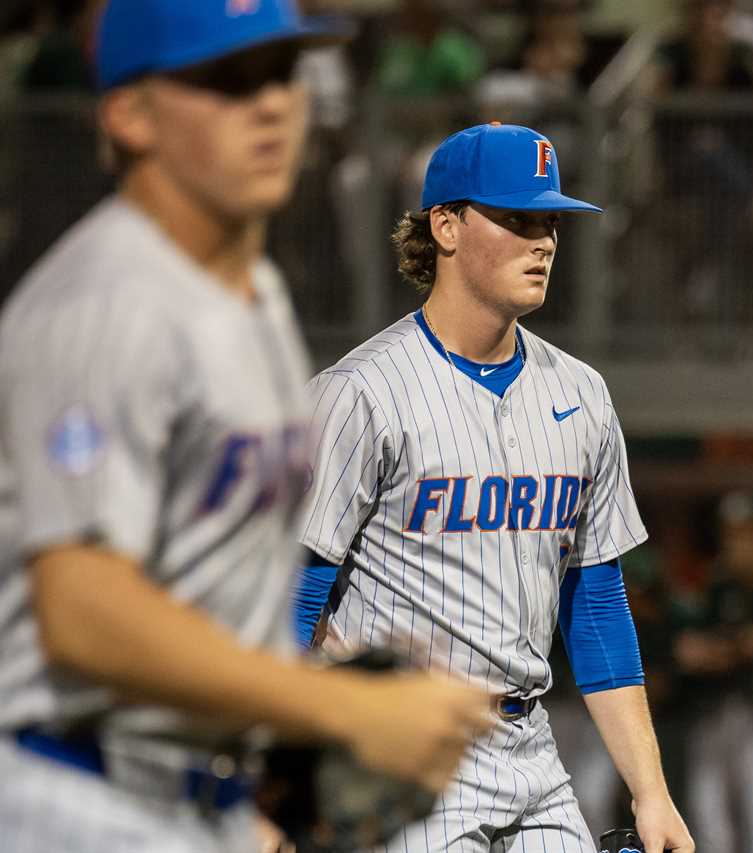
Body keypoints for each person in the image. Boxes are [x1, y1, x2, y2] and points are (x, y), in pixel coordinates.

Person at [0, 2, 492, 851]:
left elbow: (201, 586)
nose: (270, 105)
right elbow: (85, 608)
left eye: (282, 73)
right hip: (49, 790)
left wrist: (290, 724)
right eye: (226, 81)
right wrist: (342, 705)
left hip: (182, 793)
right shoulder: (106, 299)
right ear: (130, 115)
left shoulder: (260, 299)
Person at [294, 122, 694, 852]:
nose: (543, 240)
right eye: (517, 219)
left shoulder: (581, 393)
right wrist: (272, 792)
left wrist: (652, 793)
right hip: (402, 751)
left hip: (533, 748)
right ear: (444, 226)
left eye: (550, 222)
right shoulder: (361, 393)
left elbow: (596, 605)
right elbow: (295, 595)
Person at [675, 492, 753, 853]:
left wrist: (726, 651)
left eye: (745, 535)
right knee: (711, 817)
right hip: (714, 714)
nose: (737, 544)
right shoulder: (717, 586)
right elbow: (688, 650)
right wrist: (733, 650)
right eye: (732, 535)